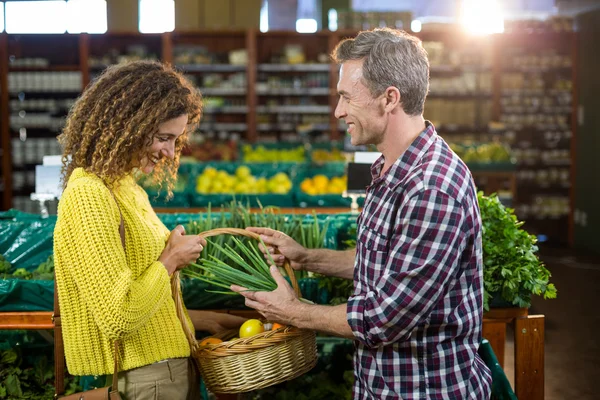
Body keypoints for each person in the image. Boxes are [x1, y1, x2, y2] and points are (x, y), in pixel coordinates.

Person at [232, 28, 492, 399]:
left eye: (346, 98)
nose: (338, 111)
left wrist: (293, 311)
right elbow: (383, 265)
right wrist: (307, 258)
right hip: (382, 385)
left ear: (389, 99)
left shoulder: (432, 187)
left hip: (424, 390)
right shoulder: (390, 167)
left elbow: (385, 317)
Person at [54, 60, 245, 400]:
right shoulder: (88, 194)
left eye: (176, 140)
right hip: (146, 380)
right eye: (162, 138)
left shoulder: (125, 186)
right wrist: (170, 259)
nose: (170, 152)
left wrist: (200, 319)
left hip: (166, 371)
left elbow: (142, 293)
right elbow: (119, 316)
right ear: (126, 124)